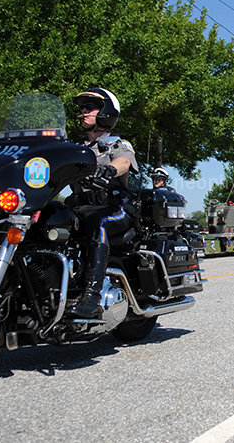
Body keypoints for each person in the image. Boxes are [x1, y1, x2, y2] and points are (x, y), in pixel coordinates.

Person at [67, 87, 138, 318]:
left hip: (114, 208)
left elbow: (125, 163)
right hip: (80, 208)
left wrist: (109, 169)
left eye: (90, 107)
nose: (83, 111)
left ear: (105, 112)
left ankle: (92, 296)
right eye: (82, 108)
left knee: (100, 224)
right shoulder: (75, 149)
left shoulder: (117, 144)